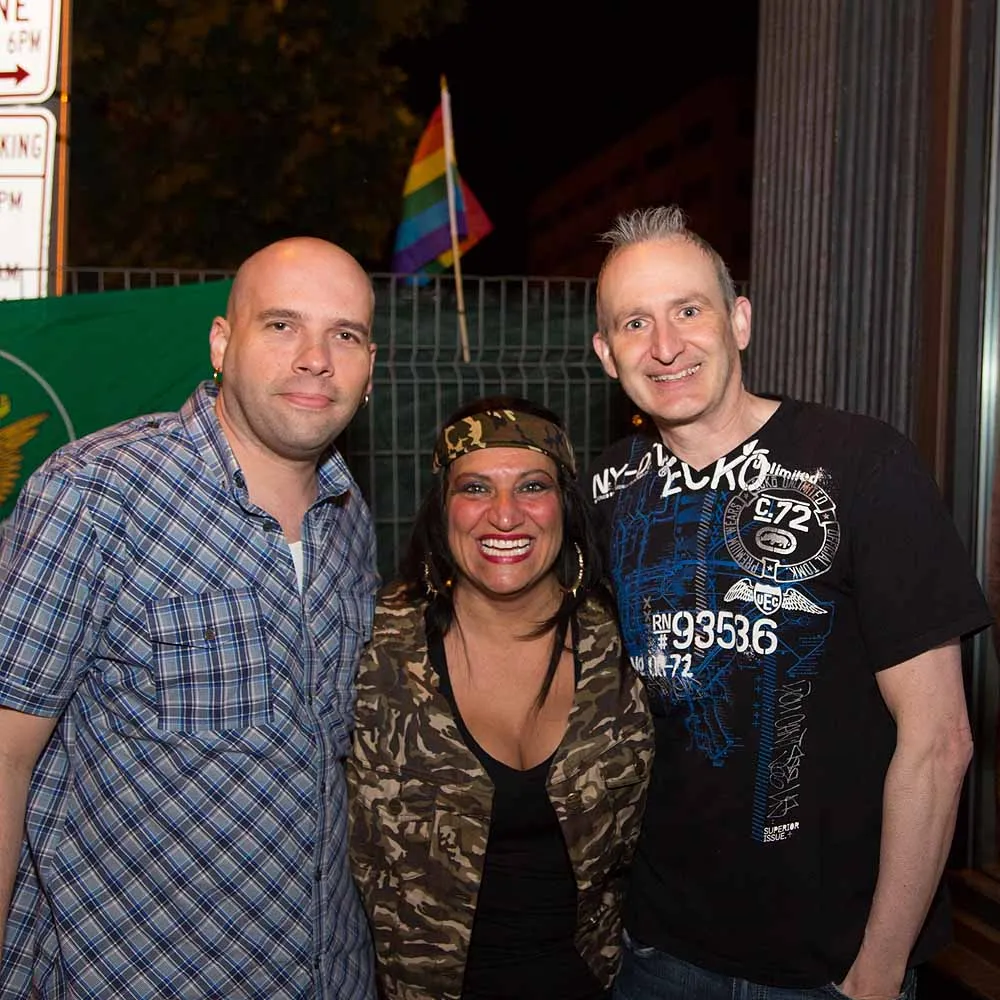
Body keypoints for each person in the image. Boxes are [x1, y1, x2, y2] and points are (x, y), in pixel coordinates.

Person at [587, 205, 993, 1000]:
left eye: (689, 311)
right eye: (635, 323)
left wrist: (879, 969)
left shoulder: (860, 464)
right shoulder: (609, 488)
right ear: (606, 354)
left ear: (739, 321)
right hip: (660, 951)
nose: (665, 345)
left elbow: (940, 740)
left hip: (833, 966)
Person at [0, 237, 380, 999]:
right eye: (282, 325)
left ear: (370, 366)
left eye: (345, 334)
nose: (316, 359)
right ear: (221, 343)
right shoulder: (95, 493)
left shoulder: (351, 519)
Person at [348, 396, 654, 1000]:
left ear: (565, 504)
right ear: (443, 508)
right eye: (476, 489)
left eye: (532, 486)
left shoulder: (627, 640)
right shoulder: (372, 646)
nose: (506, 516)